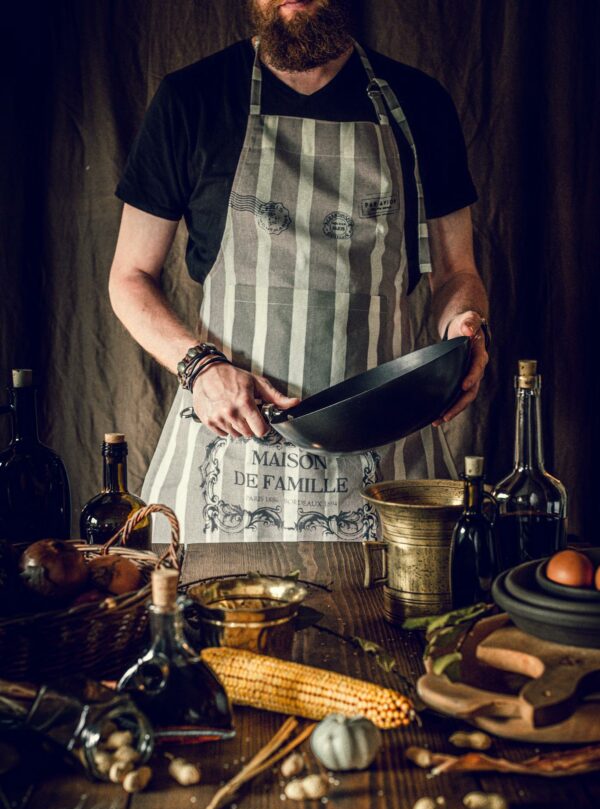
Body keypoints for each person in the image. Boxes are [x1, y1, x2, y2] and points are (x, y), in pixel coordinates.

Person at [109, 0, 489, 543]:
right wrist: (199, 368)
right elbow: (129, 276)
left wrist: (465, 324)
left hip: (383, 457)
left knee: (388, 625)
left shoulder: (420, 104)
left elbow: (456, 272)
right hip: (227, 453)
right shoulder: (192, 98)